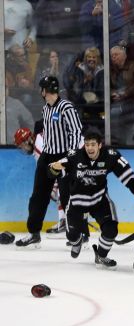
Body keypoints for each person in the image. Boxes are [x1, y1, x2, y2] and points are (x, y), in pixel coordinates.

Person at [48, 130, 134, 268]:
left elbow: (125, 172)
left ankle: (101, 256)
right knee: (72, 237)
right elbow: (54, 171)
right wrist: (53, 169)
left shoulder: (110, 156)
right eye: (87, 144)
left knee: (111, 230)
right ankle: (77, 241)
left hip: (99, 200)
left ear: (100, 145)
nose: (89, 148)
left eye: (93, 144)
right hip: (77, 202)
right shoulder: (75, 156)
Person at [16, 76, 84, 249]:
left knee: (69, 197)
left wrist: (70, 156)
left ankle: (78, 235)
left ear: (45, 90)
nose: (40, 92)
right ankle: (34, 233)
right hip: (47, 155)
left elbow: (76, 131)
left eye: (41, 89)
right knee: (38, 196)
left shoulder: (66, 107)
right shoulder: (46, 108)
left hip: (64, 156)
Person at [14, 125, 67, 234]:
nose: (23, 148)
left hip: (67, 165)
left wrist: (54, 186)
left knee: (62, 193)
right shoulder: (39, 140)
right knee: (59, 193)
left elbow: (54, 166)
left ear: (29, 140)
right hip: (66, 164)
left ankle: (70, 225)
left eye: (23, 145)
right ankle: (65, 222)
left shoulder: (40, 147)